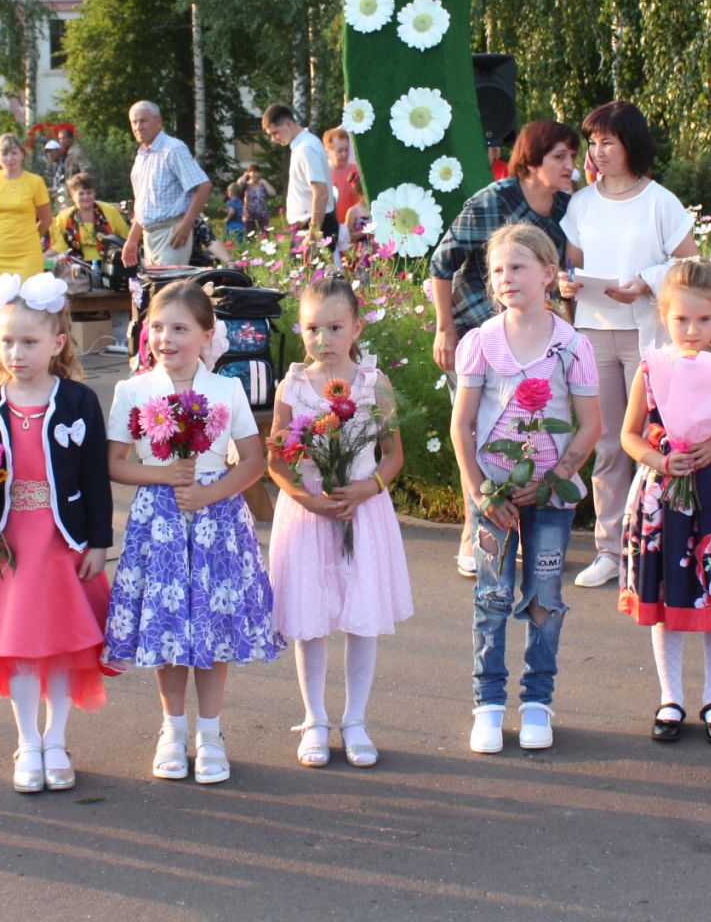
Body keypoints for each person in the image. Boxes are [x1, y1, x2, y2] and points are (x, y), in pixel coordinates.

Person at [102, 281, 278, 785]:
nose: (165, 338)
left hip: (216, 523)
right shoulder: (133, 391)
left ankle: (211, 732)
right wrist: (164, 476)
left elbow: (252, 461)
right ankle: (171, 729)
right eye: (157, 327)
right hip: (158, 524)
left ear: (206, 335)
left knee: (212, 627)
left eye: (179, 328)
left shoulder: (226, 390)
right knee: (168, 627)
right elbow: (115, 463)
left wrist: (210, 492)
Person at [0, 272, 115, 793]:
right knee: (20, 645)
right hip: (11, 542)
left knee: (61, 644)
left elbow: (94, 477)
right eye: (6, 341)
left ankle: (57, 739)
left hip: (60, 540)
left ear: (57, 343)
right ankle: (28, 742)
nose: (16, 352)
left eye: (29, 341)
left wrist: (98, 541)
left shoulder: (78, 401)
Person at [453, 224, 603, 756]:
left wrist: (554, 477)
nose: (505, 278)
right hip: (495, 501)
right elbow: (463, 424)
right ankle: (488, 703)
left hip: (551, 500)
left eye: (517, 267)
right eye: (497, 270)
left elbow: (589, 425)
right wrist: (481, 494)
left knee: (545, 596)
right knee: (491, 595)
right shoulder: (479, 343)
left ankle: (537, 701)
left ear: (547, 274)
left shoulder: (572, 346)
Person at [617, 260, 711, 744]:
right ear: (664, 316)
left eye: (704, 320)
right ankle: (671, 697)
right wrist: (659, 462)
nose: (692, 329)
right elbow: (629, 435)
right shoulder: (651, 368)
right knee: (669, 594)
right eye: (682, 319)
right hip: (663, 496)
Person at [267, 278, 412, 769]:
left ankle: (355, 719)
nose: (323, 339)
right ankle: (315, 718)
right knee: (311, 622)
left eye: (334, 327)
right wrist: (306, 498)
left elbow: (391, 455)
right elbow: (277, 459)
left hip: (362, 511)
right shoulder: (293, 385)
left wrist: (368, 487)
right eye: (312, 328)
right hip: (309, 515)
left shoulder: (375, 383)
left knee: (360, 618)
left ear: (356, 326)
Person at [430, 120, 580, 575]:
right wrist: (444, 329)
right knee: (474, 430)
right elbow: (442, 263)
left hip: (531, 337)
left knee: (524, 430)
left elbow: (562, 271)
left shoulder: (567, 209)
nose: (570, 166)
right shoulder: (494, 201)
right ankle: (474, 531)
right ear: (531, 161)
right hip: (476, 328)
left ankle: (517, 526)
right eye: (559, 157)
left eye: (573, 157)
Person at [558, 101, 698, 588]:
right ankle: (610, 548)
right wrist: (568, 285)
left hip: (648, 332)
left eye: (607, 142)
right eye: (593, 144)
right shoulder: (581, 203)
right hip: (595, 330)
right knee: (608, 442)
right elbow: (570, 268)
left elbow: (692, 269)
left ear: (630, 144)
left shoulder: (660, 201)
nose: (597, 152)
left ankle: (656, 543)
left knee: (655, 436)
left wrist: (645, 281)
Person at [122, 101, 211, 270]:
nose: (138, 127)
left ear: (159, 121)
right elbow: (142, 206)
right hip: (149, 236)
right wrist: (132, 240)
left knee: (168, 292)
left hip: (172, 233)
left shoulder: (173, 149)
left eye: (143, 121)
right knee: (156, 293)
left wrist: (187, 223)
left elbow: (203, 185)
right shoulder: (141, 156)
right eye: (134, 122)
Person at [261, 103, 334, 253]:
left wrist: (313, 235)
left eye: (275, 133)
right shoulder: (303, 145)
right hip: (310, 226)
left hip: (314, 227)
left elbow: (321, 193)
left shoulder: (306, 147)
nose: (274, 139)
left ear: (288, 123)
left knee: (321, 276)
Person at [0, 132, 52, 281]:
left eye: (14, 153)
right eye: (5, 153)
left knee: (28, 298)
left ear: (22, 155)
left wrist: (31, 236)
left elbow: (46, 219)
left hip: (27, 252)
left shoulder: (35, 182)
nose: (10, 158)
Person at [50, 172, 128, 263]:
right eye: (81, 194)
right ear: (72, 196)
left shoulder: (109, 211)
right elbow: (58, 244)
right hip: (76, 269)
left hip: (108, 266)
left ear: (94, 193)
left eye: (89, 193)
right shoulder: (64, 218)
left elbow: (125, 238)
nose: (86, 197)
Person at [325, 126, 369, 250]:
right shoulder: (324, 176)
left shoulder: (358, 170)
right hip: (336, 234)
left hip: (359, 236)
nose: (344, 154)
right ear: (328, 150)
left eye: (347, 149)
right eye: (340, 151)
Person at [234, 165, 276, 236]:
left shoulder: (263, 185)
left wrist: (266, 183)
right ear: (249, 173)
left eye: (258, 172)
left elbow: (273, 193)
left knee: (264, 237)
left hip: (263, 215)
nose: (256, 175)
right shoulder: (246, 185)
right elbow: (239, 184)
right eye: (253, 172)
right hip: (249, 216)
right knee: (250, 237)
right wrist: (245, 175)